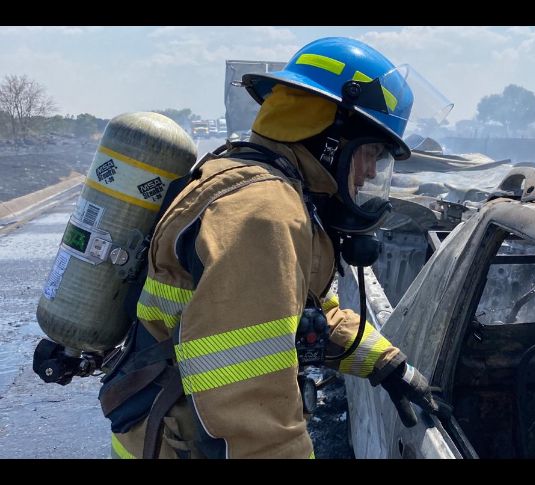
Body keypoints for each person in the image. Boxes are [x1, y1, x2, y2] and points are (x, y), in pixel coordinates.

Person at [106, 37, 451, 459]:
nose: (367, 176)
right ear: (329, 137)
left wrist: (388, 364)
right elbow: (249, 401)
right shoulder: (263, 212)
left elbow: (300, 317)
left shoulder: (253, 181)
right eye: (371, 154)